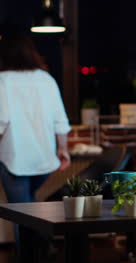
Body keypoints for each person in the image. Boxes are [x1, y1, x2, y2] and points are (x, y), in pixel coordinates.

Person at [0, 33, 71, 203]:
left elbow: (1, 121)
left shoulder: (3, 80)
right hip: (43, 159)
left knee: (21, 212)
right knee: (31, 208)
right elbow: (60, 121)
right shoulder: (46, 79)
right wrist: (63, 149)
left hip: (15, 160)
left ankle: (32, 230)